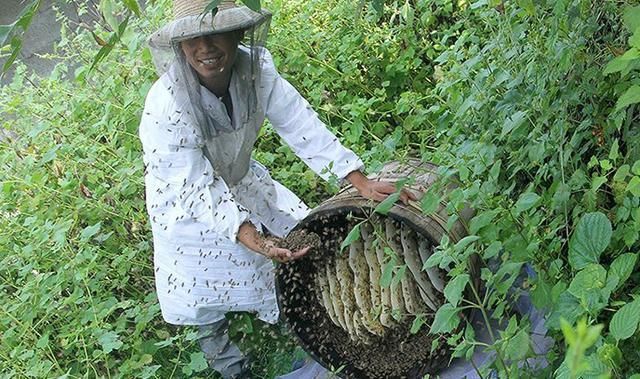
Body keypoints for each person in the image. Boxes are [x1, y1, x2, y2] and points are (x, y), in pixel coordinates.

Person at [139, 0, 415, 377]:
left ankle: (314, 339)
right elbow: (194, 187)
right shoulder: (165, 104)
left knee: (295, 255)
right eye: (193, 37)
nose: (206, 47)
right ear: (180, 45)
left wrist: (358, 181)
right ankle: (233, 368)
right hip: (184, 205)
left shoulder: (255, 69)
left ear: (237, 31)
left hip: (238, 180)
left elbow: (299, 122)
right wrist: (256, 238)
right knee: (199, 296)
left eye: (216, 31)